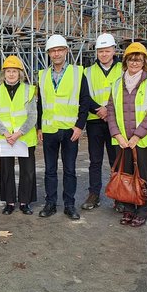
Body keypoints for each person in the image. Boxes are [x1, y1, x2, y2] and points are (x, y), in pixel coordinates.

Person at [106, 42, 147, 227]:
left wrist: (137, 136)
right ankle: (129, 210)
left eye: (138, 59)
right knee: (126, 176)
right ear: (126, 61)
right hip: (123, 141)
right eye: (131, 59)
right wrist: (118, 136)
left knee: (143, 177)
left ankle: (142, 211)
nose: (135, 63)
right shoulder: (116, 84)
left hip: (143, 141)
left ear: (144, 61)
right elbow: (111, 112)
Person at [37, 34, 91, 220]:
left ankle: (69, 205)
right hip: (50, 129)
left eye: (60, 50)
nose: (57, 53)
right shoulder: (43, 75)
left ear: (66, 51)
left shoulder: (77, 72)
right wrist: (39, 127)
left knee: (69, 170)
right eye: (53, 50)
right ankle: (50, 203)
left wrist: (79, 126)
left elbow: (85, 101)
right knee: (50, 170)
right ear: (49, 53)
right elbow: (40, 104)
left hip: (70, 130)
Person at [0, 55, 38, 215]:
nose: (11, 74)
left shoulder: (29, 90)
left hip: (23, 137)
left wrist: (18, 133)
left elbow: (33, 115)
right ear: (4, 73)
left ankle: (25, 202)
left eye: (14, 71)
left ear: (20, 73)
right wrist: (5, 133)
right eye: (8, 71)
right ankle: (9, 202)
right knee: (6, 170)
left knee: (28, 170)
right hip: (4, 138)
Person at [81, 33, 123, 211]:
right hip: (95, 121)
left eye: (107, 50)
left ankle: (118, 196)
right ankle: (94, 194)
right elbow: (84, 96)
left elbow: (126, 95)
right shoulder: (87, 71)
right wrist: (99, 109)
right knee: (95, 160)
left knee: (116, 160)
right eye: (100, 51)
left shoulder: (124, 69)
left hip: (116, 122)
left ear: (114, 50)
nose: (104, 54)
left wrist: (109, 111)